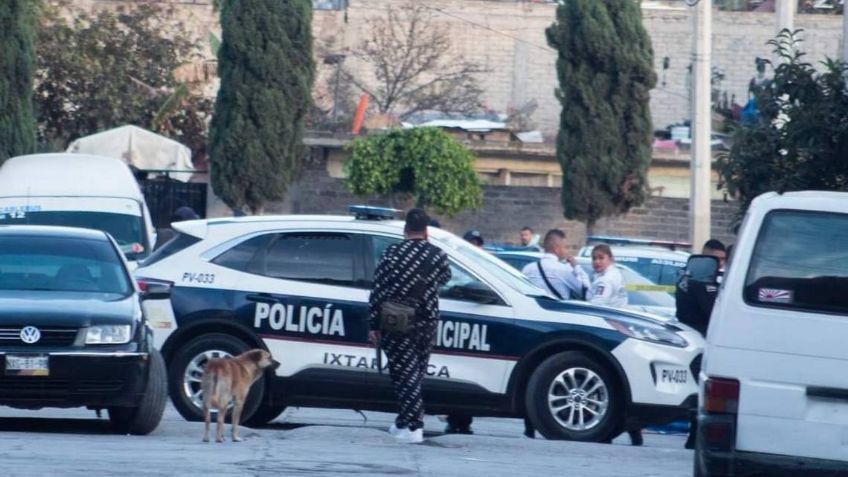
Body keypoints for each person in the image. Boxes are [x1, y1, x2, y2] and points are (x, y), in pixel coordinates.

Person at [368, 208, 451, 444]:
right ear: (426, 231)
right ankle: (404, 421)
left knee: (402, 372)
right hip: (427, 320)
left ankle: (414, 425)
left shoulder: (392, 252)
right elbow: (445, 278)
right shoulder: (436, 254)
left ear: (405, 228)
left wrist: (373, 324)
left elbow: (379, 289)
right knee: (416, 372)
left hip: (396, 318)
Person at [676, 238, 726, 450]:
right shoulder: (701, 283)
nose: (719, 265)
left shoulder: (689, 278)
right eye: (716, 260)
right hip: (700, 343)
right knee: (702, 391)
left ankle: (694, 436)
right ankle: (694, 436)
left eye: (722, 261)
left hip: (694, 341)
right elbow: (713, 315)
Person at [522, 229, 590, 300]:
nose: (567, 251)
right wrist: (576, 267)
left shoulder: (527, 268)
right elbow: (586, 292)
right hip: (556, 310)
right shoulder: (564, 270)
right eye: (565, 247)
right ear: (557, 249)